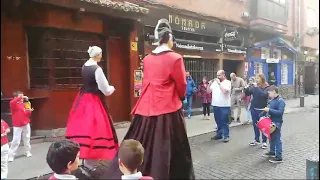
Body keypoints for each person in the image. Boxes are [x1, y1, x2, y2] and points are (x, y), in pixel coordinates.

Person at [103, 18, 195, 179]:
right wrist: (180, 98)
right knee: (171, 148)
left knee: (140, 140)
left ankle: (130, 171)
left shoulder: (147, 59)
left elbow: (146, 83)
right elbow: (181, 85)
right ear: (169, 37)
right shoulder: (175, 58)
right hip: (168, 108)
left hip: (146, 107)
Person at [65, 46, 119, 170]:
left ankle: (84, 160)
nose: (102, 56)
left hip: (82, 99)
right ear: (97, 55)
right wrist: (112, 88)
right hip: (94, 100)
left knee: (83, 128)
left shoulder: (85, 66)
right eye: (101, 54)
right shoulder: (97, 69)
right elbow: (105, 90)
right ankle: (90, 163)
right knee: (95, 129)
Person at [244, 73, 270, 149]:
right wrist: (246, 87)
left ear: (262, 79)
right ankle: (256, 139)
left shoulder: (266, 87)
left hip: (262, 109)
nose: (256, 80)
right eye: (256, 78)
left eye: (258, 78)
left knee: (263, 125)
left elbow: (263, 95)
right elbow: (248, 93)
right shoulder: (254, 87)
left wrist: (256, 87)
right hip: (254, 108)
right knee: (255, 125)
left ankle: (264, 141)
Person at [262, 86, 285, 163]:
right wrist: (261, 115)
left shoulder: (280, 101)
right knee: (271, 138)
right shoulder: (271, 100)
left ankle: (279, 157)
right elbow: (268, 109)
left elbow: (280, 113)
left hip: (277, 123)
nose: (268, 94)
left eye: (269, 92)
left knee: (277, 139)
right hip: (270, 121)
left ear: (274, 91)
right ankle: (272, 152)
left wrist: (269, 110)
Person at [207, 70, 232, 143]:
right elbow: (208, 91)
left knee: (224, 121)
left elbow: (225, 91)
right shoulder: (214, 83)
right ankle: (219, 134)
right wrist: (209, 84)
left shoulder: (227, 82)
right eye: (217, 75)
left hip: (224, 105)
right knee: (218, 121)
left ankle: (226, 135)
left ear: (223, 75)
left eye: (219, 75)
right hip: (215, 104)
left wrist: (219, 84)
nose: (217, 77)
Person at [8, 91, 33, 162]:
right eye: (20, 97)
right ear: (15, 97)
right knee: (16, 140)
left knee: (27, 138)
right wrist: (21, 97)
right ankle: (11, 155)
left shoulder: (24, 104)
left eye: (22, 96)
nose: (22, 98)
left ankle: (27, 151)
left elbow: (27, 114)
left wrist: (29, 111)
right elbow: (12, 102)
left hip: (26, 123)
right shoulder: (13, 104)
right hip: (17, 125)